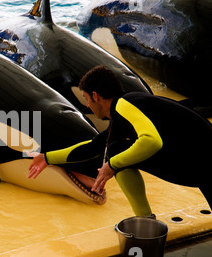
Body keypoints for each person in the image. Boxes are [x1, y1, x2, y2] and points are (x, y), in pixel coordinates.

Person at [28, 65, 212, 216]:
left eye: (86, 99)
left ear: (96, 96)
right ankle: (145, 222)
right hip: (201, 165)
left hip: (200, 163)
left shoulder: (125, 104)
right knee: (114, 148)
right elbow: (94, 147)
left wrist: (112, 165)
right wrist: (46, 158)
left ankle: (145, 220)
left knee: (116, 151)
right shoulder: (125, 111)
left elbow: (151, 141)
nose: (87, 105)